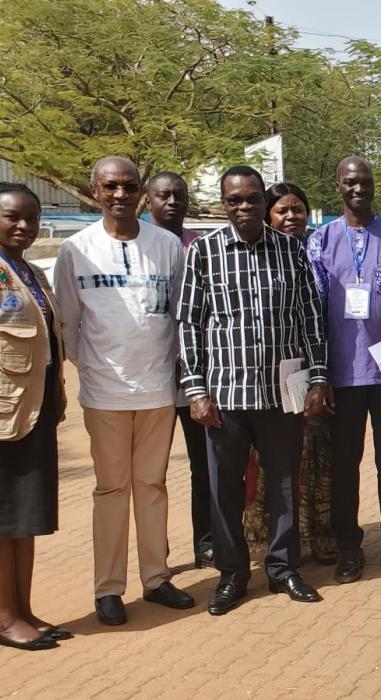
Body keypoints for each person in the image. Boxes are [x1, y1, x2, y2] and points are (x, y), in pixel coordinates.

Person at [178, 165, 331, 615]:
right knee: (224, 488)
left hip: (281, 393)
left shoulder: (290, 251)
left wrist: (318, 378)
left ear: (265, 201)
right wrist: (195, 390)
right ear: (223, 204)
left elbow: (310, 320)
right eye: (234, 200)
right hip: (224, 395)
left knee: (284, 483)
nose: (244, 207)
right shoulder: (204, 252)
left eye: (252, 199)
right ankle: (232, 574)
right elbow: (188, 324)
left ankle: (283, 568)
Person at [55, 156, 193, 625]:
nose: (120, 194)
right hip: (104, 393)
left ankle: (156, 579)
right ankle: (108, 589)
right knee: (112, 490)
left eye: (129, 185)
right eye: (110, 186)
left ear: (140, 191)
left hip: (157, 389)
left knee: (152, 487)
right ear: (95, 190)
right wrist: (91, 367)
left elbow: (178, 315)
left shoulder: (167, 245)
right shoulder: (76, 249)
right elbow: (69, 324)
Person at [306, 157, 381, 583]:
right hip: (342, 372)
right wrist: (320, 375)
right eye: (350, 182)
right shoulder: (320, 241)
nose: (359, 188)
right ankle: (349, 549)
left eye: (365, 181)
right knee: (345, 464)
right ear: (338, 186)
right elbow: (313, 312)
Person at [239, 183, 336, 565]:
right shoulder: (255, 254)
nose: (291, 216)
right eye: (282, 210)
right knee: (269, 462)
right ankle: (267, 540)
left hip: (315, 369)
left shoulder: (318, 250)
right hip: (265, 374)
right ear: (267, 214)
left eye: (298, 209)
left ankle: (318, 534)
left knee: (316, 455)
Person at [0, 183, 67, 650]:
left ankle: (23, 608)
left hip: (34, 412)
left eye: (31, 218)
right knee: (3, 520)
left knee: (26, 518)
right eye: (12, 217)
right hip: (3, 417)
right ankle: (4, 620)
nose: (24, 226)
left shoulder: (27, 271)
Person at [143, 171, 214, 569]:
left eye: (179, 195)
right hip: (152, 376)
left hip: (195, 379)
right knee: (152, 474)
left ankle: (206, 542)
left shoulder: (200, 248)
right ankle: (157, 554)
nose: (172, 202)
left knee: (204, 467)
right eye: (163, 195)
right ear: (148, 201)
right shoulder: (141, 247)